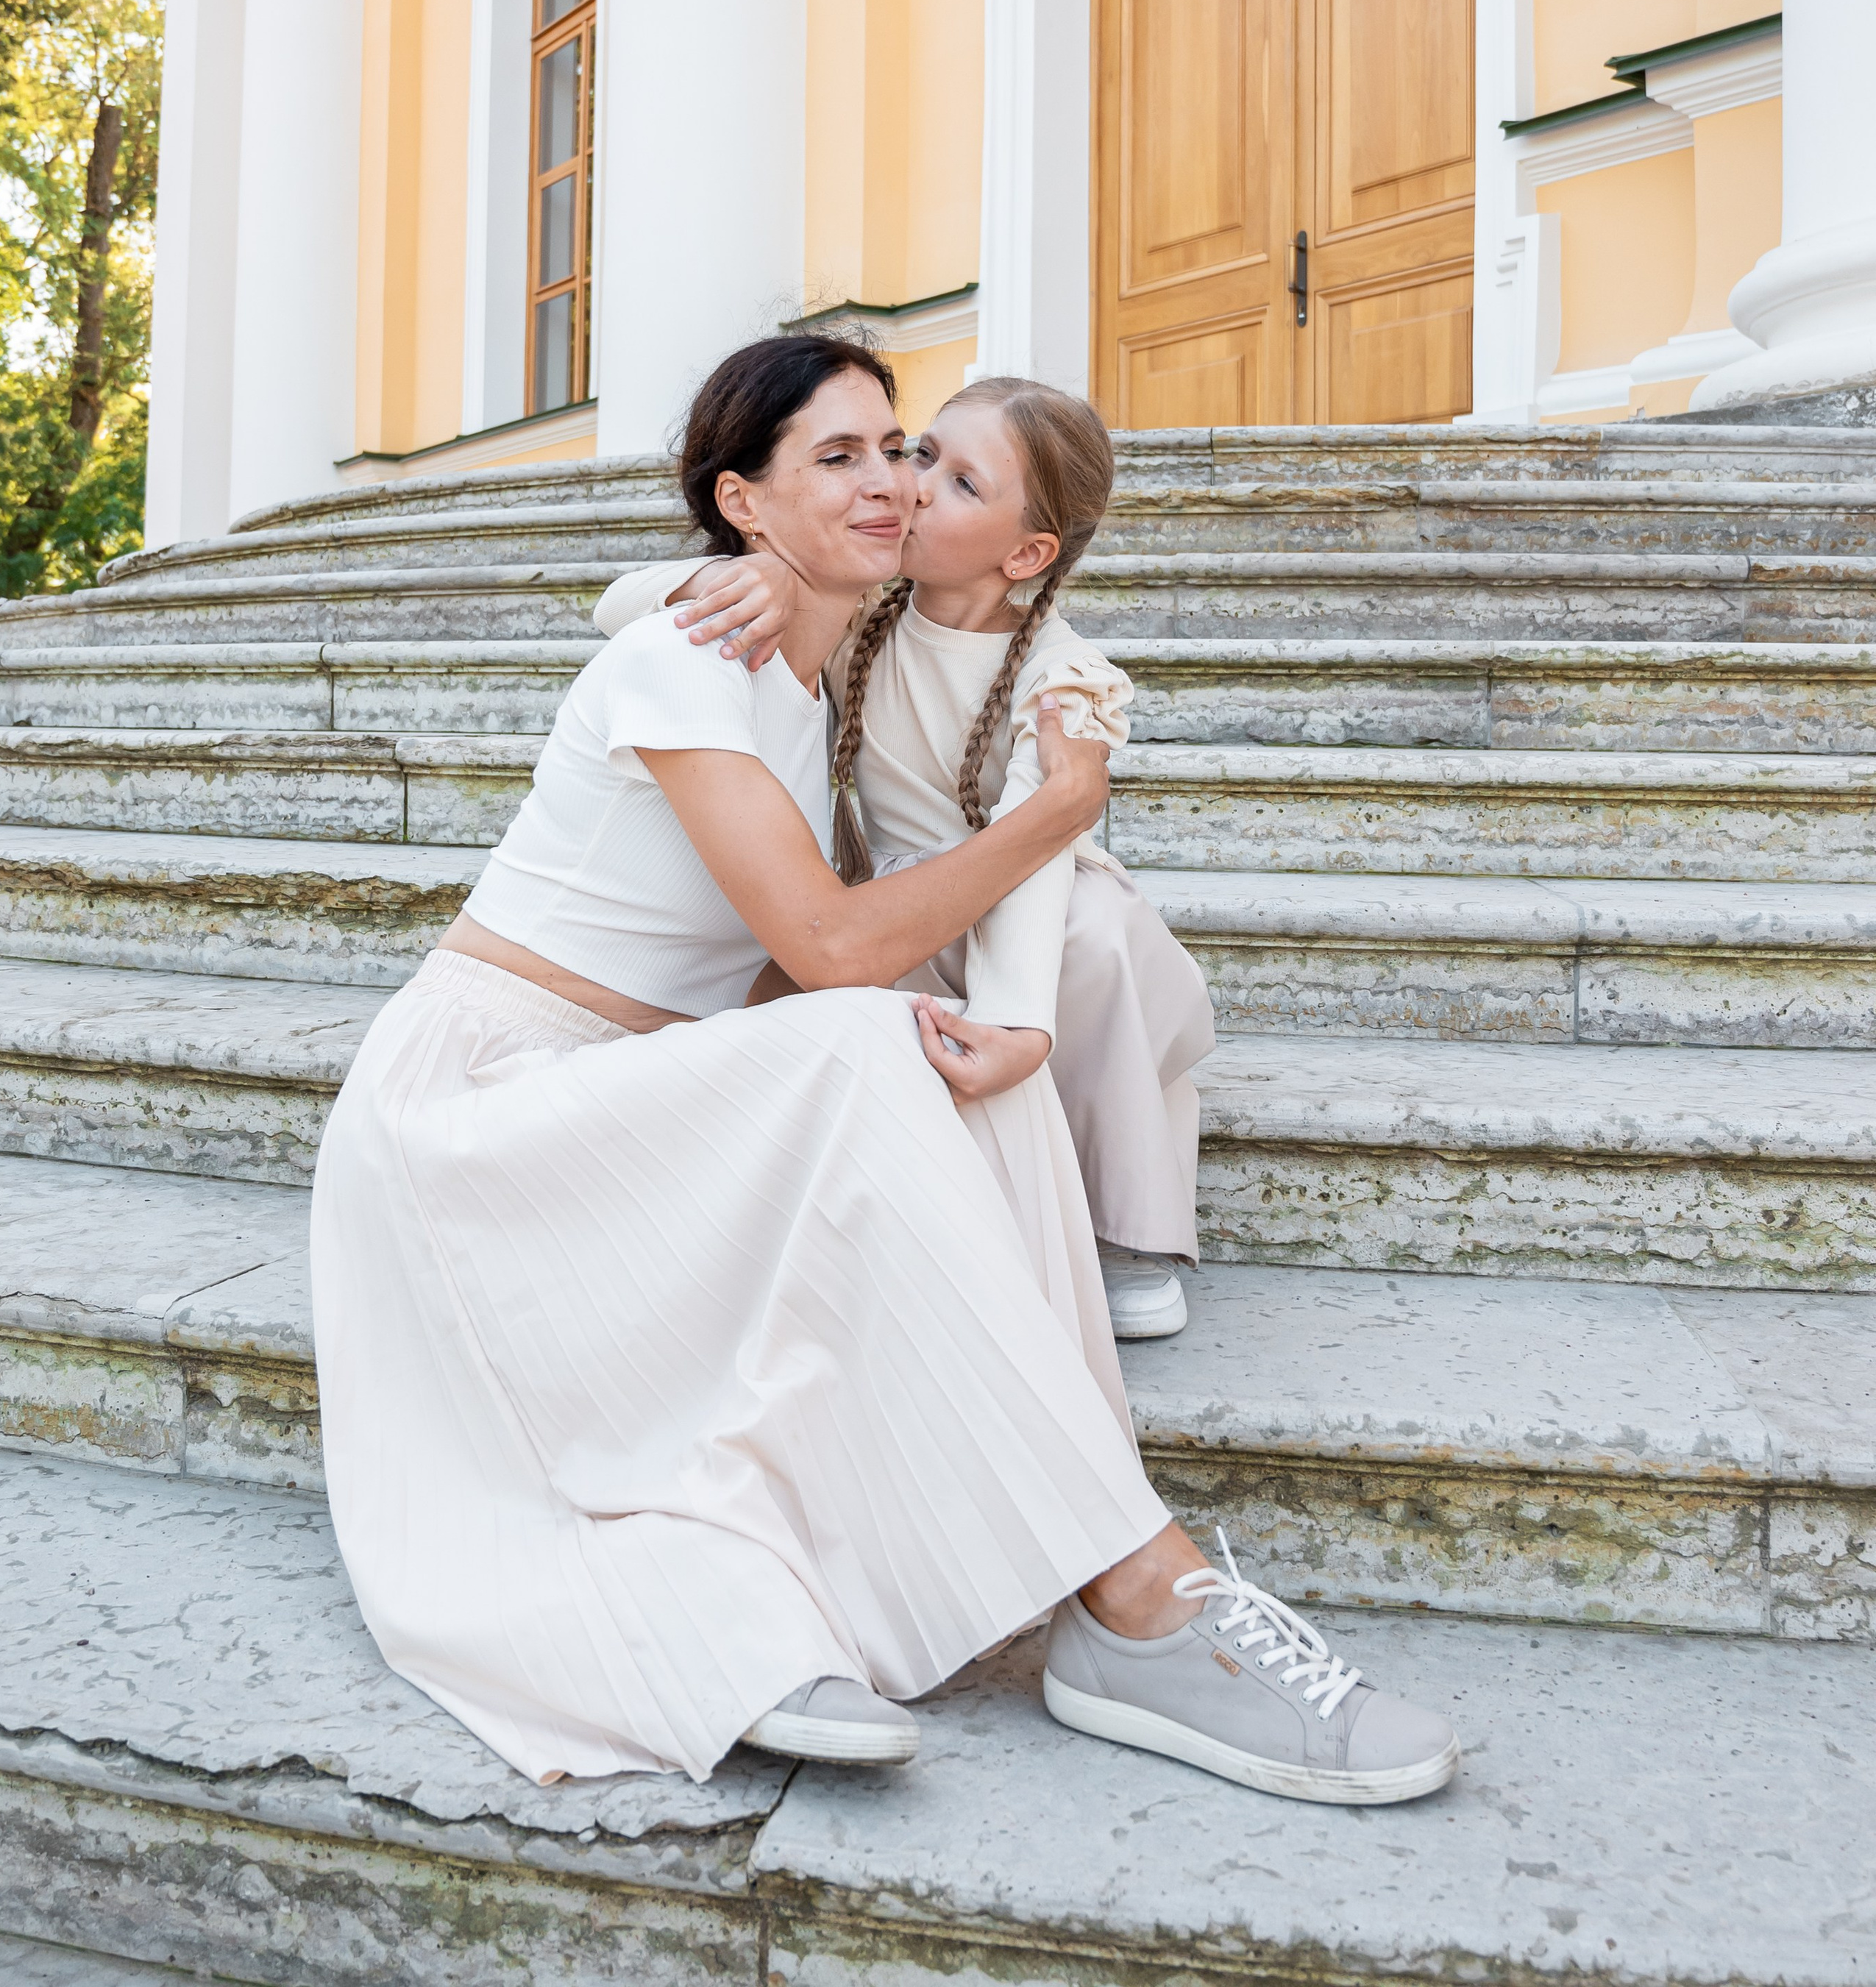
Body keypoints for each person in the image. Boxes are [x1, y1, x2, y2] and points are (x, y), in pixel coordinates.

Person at [310, 333, 1457, 1805]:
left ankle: (1115, 1603)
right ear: (742, 504)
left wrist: (1020, 1009)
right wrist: (1057, 810)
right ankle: (1136, 1588)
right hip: (478, 1117)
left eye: (897, 446)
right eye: (833, 458)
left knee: (979, 1067)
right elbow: (829, 950)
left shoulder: (810, 667)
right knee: (873, 1025)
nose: (885, 480)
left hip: (634, 1105)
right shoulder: (686, 652)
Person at [594, 374, 1215, 1341]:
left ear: (1028, 551)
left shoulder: (1071, 678)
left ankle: (1126, 1229)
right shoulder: (860, 616)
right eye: (923, 453)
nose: (916, 486)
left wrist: (1017, 1019)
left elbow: (1039, 847)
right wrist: (722, 580)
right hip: (909, 906)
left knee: (1091, 934)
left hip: (1035, 910)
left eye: (962, 482)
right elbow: (614, 605)